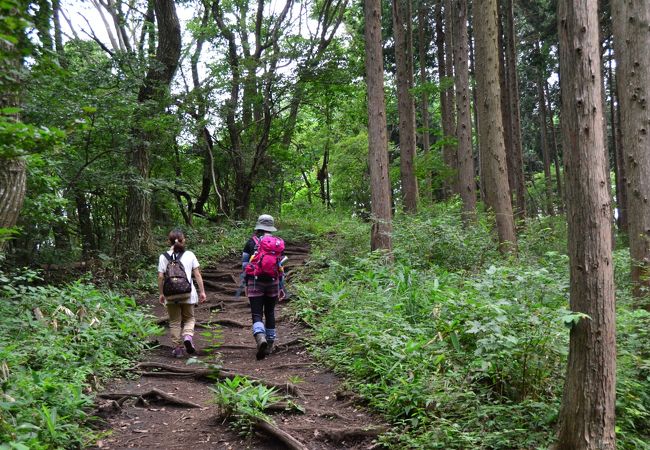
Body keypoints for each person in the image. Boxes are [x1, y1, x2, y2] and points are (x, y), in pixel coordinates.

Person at [242, 214, 286, 360]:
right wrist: (281, 287)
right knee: (270, 312)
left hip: (255, 282)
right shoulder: (278, 244)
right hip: (273, 282)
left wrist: (245, 284)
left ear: (258, 226)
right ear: (271, 227)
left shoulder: (250, 242)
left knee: (256, 314)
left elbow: (244, 266)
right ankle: (270, 343)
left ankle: (260, 337)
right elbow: (280, 267)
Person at [158, 229, 207, 358]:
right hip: (187, 293)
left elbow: (160, 277)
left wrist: (161, 293)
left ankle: (177, 348)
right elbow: (197, 274)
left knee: (174, 321)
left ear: (169, 241)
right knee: (189, 318)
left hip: (170, 294)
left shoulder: (163, 256)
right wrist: (202, 291)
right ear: (183, 240)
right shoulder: (190, 254)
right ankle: (187, 337)